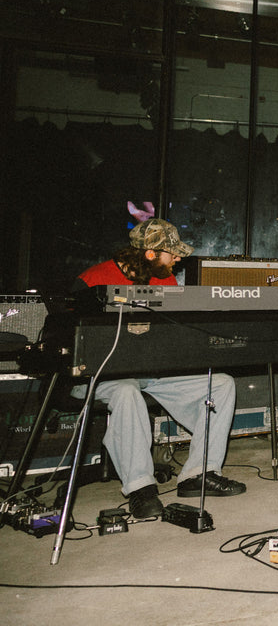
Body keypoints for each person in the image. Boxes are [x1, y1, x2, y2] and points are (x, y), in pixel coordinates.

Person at [72, 218, 245, 519]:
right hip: (99, 375)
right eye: (172, 253)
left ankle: (198, 474)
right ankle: (141, 489)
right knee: (126, 391)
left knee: (221, 383)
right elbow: (71, 341)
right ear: (150, 254)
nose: (177, 259)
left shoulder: (165, 281)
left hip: (152, 372)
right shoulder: (93, 280)